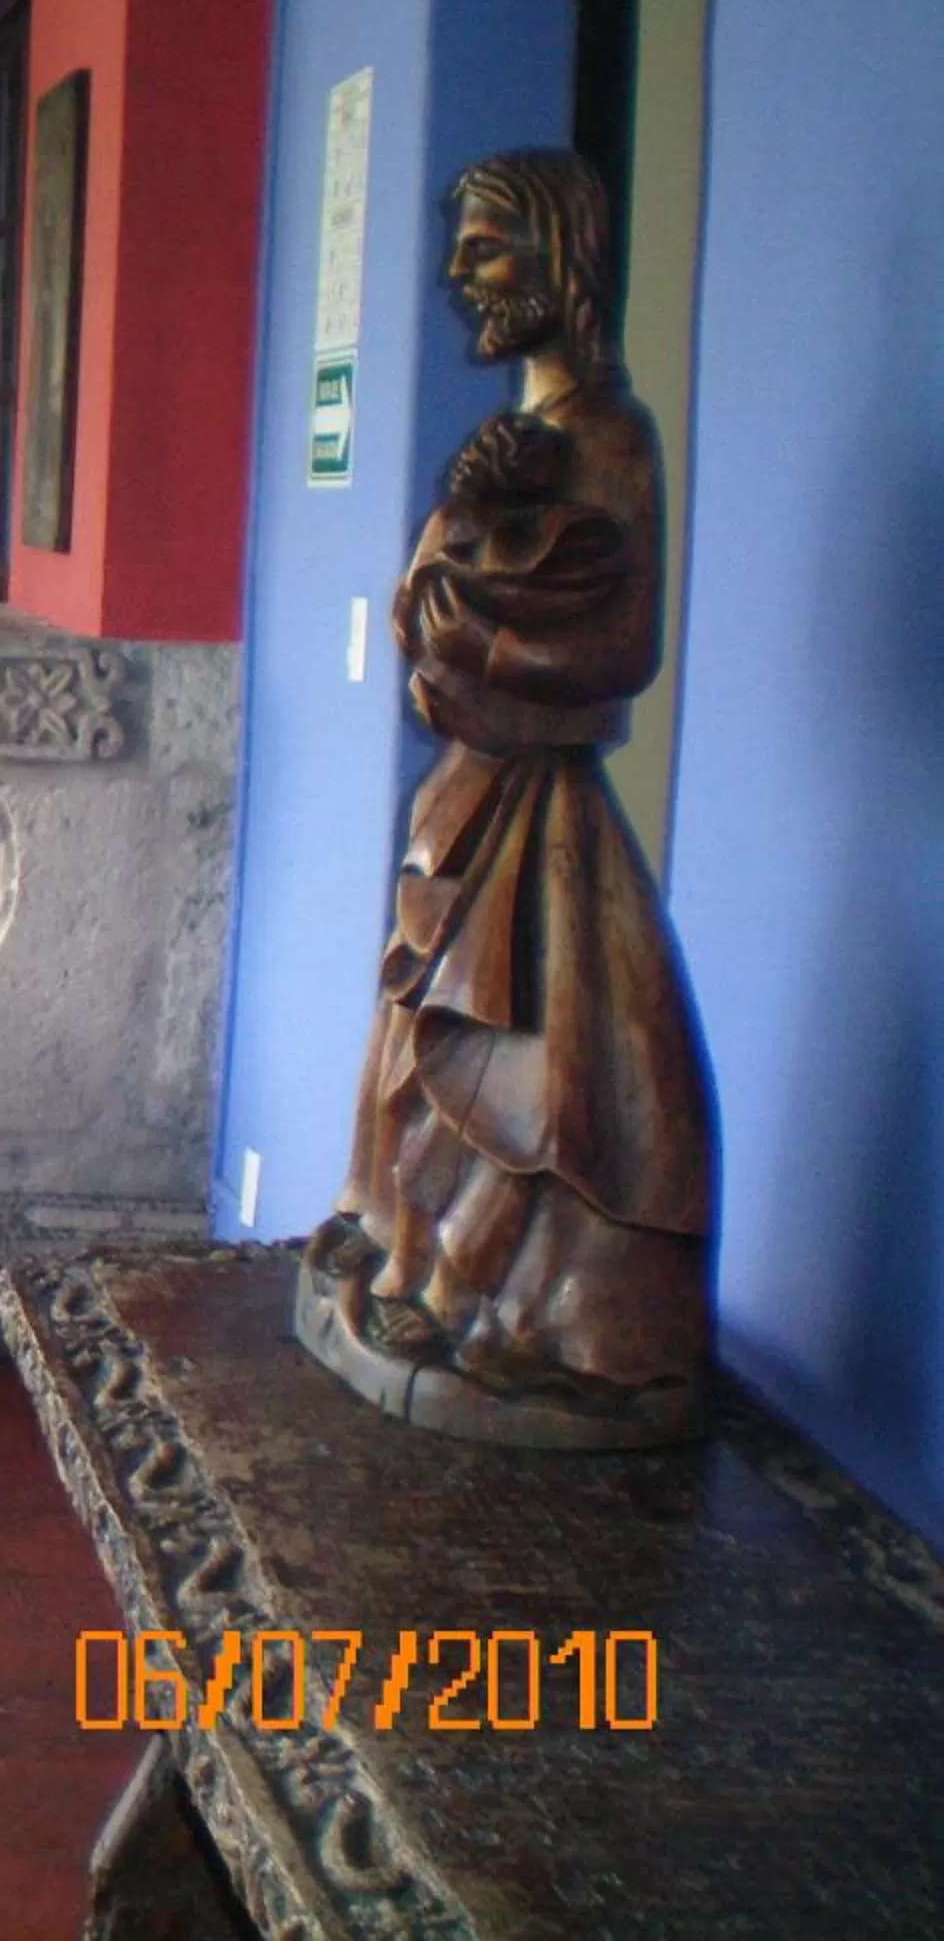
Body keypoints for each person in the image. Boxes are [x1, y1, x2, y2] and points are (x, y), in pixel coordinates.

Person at [299, 148, 717, 1440]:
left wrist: (468, 607)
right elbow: (425, 616)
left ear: (557, 255)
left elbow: (614, 640)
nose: (458, 274)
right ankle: (410, 1247)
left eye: (484, 246)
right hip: (473, 790)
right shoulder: (516, 441)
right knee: (425, 1038)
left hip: (543, 810)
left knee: (543, 1056)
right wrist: (465, 537)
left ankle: (493, 1292)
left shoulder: (607, 435)